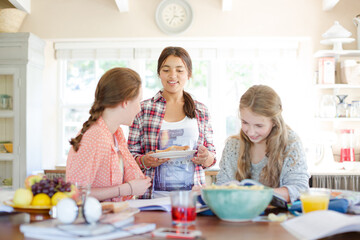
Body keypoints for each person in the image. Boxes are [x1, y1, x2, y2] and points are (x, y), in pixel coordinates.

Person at [128, 46, 216, 199]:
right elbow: (129, 155)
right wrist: (144, 160)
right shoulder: (143, 109)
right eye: (166, 70)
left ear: (189, 74)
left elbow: (211, 157)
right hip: (151, 198)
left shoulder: (200, 110)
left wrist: (206, 157)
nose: (172, 75)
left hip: (193, 199)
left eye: (180, 70)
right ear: (159, 73)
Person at [66, 67, 151, 202]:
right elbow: (75, 193)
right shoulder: (95, 137)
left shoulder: (116, 134)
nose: (139, 108)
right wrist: (127, 189)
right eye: (138, 101)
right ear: (125, 102)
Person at [216, 85, 310, 203]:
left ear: (274, 122)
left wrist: (255, 193)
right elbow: (222, 188)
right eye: (245, 122)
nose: (250, 132)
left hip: (279, 218)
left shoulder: (290, 142)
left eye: (259, 126)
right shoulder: (233, 146)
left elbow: (300, 189)